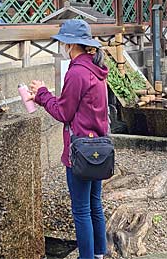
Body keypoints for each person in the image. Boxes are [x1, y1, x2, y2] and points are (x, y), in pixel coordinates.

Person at [29, 19, 109, 259]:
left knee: (81, 210)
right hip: (99, 148)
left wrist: (42, 94)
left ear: (71, 44)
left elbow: (63, 113)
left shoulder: (77, 72)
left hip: (80, 151)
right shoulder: (98, 70)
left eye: (64, 43)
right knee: (95, 205)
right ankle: (100, 253)